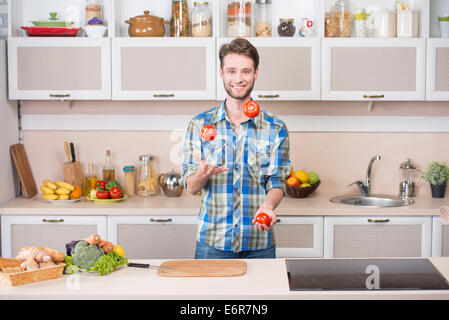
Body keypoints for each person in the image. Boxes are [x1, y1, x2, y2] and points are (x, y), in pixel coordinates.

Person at [182, 38, 290, 259]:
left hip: (259, 242)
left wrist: (268, 206)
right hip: (212, 243)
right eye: (231, 71)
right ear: (221, 73)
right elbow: (191, 187)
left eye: (246, 71)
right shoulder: (200, 124)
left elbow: (277, 180)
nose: (239, 79)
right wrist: (201, 175)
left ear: (256, 73)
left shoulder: (275, 127)